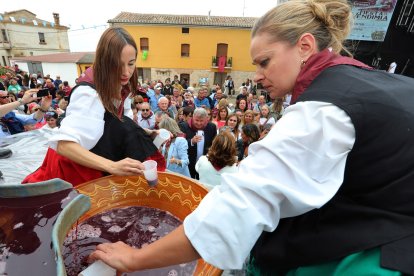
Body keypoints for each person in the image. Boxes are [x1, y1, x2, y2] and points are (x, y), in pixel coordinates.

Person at [90, 0, 414, 274]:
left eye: (264, 62)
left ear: (304, 46)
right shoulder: (366, 80)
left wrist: (135, 258)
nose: (257, 76)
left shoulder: (324, 111)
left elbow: (240, 206)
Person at [23, 27, 165, 186]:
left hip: (98, 155)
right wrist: (112, 166)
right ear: (105, 61)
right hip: (74, 166)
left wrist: (147, 132)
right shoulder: (89, 94)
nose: (126, 72)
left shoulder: (121, 83)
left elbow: (115, 120)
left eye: (131, 64)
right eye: (118, 65)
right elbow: (64, 145)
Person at [179, 107, 217, 179]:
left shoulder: (211, 127)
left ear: (206, 119)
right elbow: (180, 145)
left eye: (201, 121)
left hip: (205, 163)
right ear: (193, 117)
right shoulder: (184, 126)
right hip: (189, 162)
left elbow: (214, 144)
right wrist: (191, 141)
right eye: (196, 120)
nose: (199, 123)